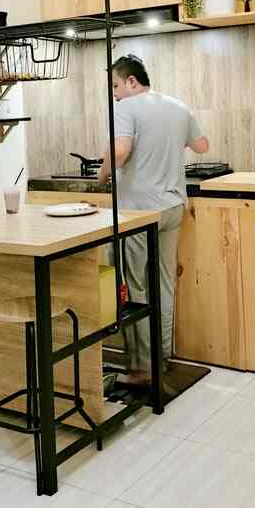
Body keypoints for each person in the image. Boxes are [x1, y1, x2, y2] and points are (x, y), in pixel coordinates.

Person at [97, 54, 209, 384]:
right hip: (173, 206)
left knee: (135, 286)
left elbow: (119, 153)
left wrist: (103, 173)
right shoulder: (177, 106)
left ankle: (143, 369)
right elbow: (202, 146)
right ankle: (162, 357)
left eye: (116, 85)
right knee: (164, 283)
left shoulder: (126, 107)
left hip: (139, 211)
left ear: (132, 82)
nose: (115, 93)